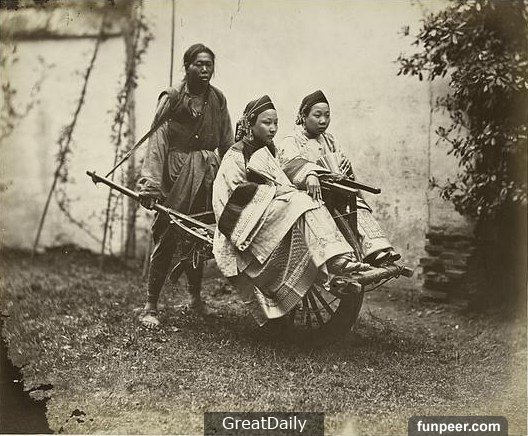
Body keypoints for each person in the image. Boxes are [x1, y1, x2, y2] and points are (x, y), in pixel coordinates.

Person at [212, 95, 370, 326]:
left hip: (271, 212)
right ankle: (331, 257)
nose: (273, 128)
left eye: (275, 123)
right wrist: (270, 193)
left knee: (308, 199)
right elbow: (227, 198)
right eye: (266, 123)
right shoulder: (236, 155)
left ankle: (334, 254)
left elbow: (289, 170)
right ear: (250, 124)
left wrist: (309, 175)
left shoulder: (272, 150)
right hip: (243, 221)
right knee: (299, 201)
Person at [137, 43, 234, 328]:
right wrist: (151, 185)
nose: (204, 70)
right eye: (198, 64)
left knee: (199, 237)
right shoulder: (172, 98)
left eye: (208, 64)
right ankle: (150, 304)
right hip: (177, 176)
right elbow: (157, 141)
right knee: (167, 234)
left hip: (208, 176)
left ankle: (195, 298)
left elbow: (227, 143)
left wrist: (233, 177)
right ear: (187, 66)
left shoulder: (218, 99)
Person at [277, 90, 401, 266]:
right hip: (310, 195)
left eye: (327, 115)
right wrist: (310, 173)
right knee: (321, 209)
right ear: (303, 116)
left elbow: (341, 166)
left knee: (356, 203)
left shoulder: (330, 140)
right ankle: (341, 257)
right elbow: (289, 164)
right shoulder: (291, 140)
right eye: (317, 115)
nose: (323, 121)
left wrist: (344, 167)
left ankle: (377, 250)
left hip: (335, 191)